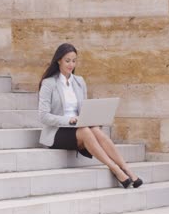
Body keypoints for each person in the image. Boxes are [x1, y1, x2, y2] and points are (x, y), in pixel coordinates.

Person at [38, 43, 143, 189]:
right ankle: (115, 169)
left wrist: (92, 119)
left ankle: (127, 170)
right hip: (57, 131)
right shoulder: (49, 83)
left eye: (74, 61)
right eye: (67, 60)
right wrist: (69, 120)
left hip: (79, 126)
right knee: (86, 131)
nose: (71, 64)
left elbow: (84, 108)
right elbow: (43, 116)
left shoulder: (79, 81)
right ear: (58, 60)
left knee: (95, 130)